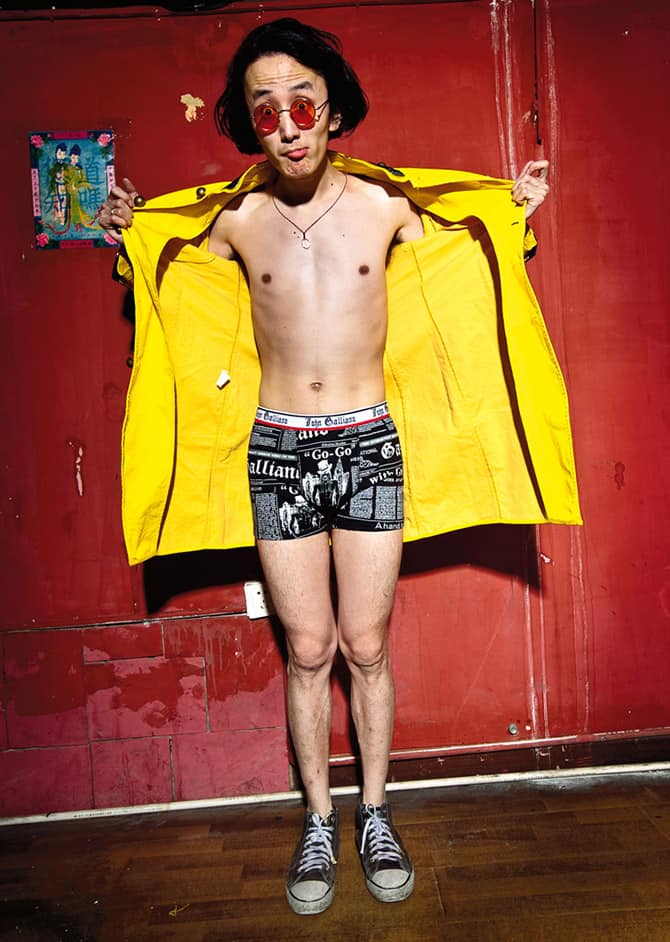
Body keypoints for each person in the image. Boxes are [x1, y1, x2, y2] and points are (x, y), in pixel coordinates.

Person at [99, 18, 572, 916]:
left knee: (367, 645)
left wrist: (514, 210)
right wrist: (131, 233)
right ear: (249, 121)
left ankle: (376, 814)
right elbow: (171, 278)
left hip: (368, 444)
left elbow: (468, 249)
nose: (287, 125)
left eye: (303, 103)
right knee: (308, 649)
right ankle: (318, 819)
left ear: (334, 109)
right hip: (278, 450)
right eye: (264, 109)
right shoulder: (236, 220)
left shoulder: (385, 207)